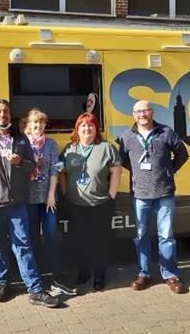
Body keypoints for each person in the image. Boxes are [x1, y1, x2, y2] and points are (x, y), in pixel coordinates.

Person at [0, 99, 59, 308]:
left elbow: (31, 167)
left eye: (5, 112)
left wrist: (20, 162)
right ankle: (3, 283)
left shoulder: (20, 139)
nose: (3, 115)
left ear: (10, 115)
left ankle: (35, 289)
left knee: (23, 246)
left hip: (18, 204)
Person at [119, 100, 189, 294]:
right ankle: (144, 274)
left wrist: (169, 171)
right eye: (138, 111)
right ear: (133, 114)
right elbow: (123, 160)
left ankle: (170, 274)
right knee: (141, 236)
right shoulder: (127, 137)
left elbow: (183, 154)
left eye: (146, 110)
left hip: (164, 192)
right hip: (140, 195)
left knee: (166, 236)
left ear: (152, 112)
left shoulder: (166, 132)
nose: (142, 114)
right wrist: (138, 175)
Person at [59, 112, 122, 291]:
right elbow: (61, 172)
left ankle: (99, 275)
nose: (87, 128)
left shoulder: (105, 147)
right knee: (80, 241)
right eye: (83, 125)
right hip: (75, 205)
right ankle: (84, 271)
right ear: (77, 130)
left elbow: (116, 171)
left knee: (100, 241)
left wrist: (111, 196)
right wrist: (65, 193)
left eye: (91, 125)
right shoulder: (69, 149)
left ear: (96, 129)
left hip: (100, 204)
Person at [23, 108, 77, 296]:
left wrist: (51, 195)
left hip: (47, 199)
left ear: (46, 125)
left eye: (41, 122)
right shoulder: (21, 143)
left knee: (52, 236)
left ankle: (57, 278)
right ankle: (37, 278)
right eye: (34, 122)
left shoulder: (51, 144)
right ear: (28, 125)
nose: (38, 126)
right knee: (31, 239)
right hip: (28, 200)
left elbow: (55, 170)